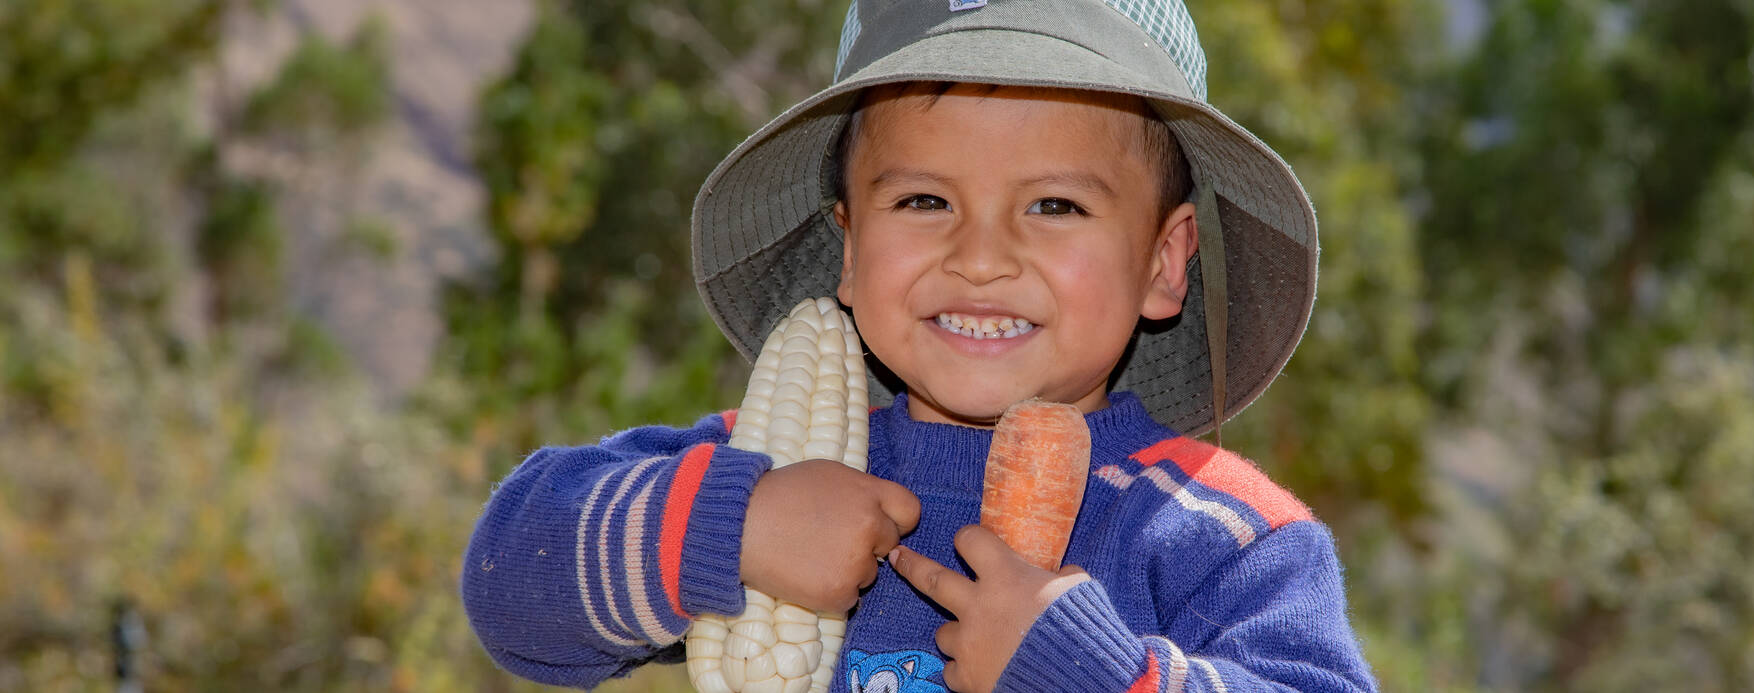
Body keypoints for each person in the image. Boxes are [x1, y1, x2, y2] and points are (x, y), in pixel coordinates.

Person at [461, 1, 1377, 691]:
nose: (980, 257)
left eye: (1055, 205)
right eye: (923, 202)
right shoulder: (785, 468)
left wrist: (1098, 673)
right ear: (851, 249)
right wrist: (732, 527)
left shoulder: (1223, 536)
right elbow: (508, 581)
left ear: (1164, 262)